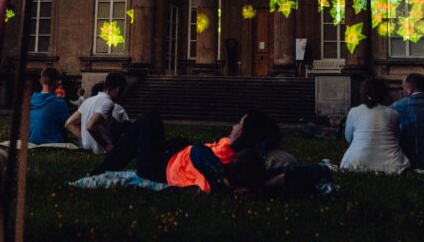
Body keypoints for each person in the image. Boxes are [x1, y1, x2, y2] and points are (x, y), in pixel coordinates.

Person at [92, 110, 272, 194]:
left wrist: (223, 178)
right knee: (140, 127)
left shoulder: (233, 160)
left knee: (149, 119)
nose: (233, 126)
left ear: (244, 133)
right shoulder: (228, 150)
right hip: (169, 160)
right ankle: (104, 167)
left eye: (238, 124)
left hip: (157, 171)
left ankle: (101, 171)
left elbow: (199, 155)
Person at [340, 78, 409, 174]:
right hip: (392, 164)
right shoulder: (393, 113)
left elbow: (348, 138)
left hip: (356, 161)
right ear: (384, 94)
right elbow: (396, 137)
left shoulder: (354, 111)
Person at [66, 72, 129, 153]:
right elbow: (90, 126)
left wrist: (85, 139)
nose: (122, 95)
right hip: (101, 152)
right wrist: (106, 145)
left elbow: (69, 123)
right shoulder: (108, 103)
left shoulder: (88, 101)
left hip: (86, 151)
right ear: (117, 89)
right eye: (122, 91)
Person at [29, 66, 71, 144]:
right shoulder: (59, 102)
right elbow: (69, 124)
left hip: (32, 139)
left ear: (40, 81)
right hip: (52, 141)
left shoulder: (32, 99)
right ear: (56, 82)